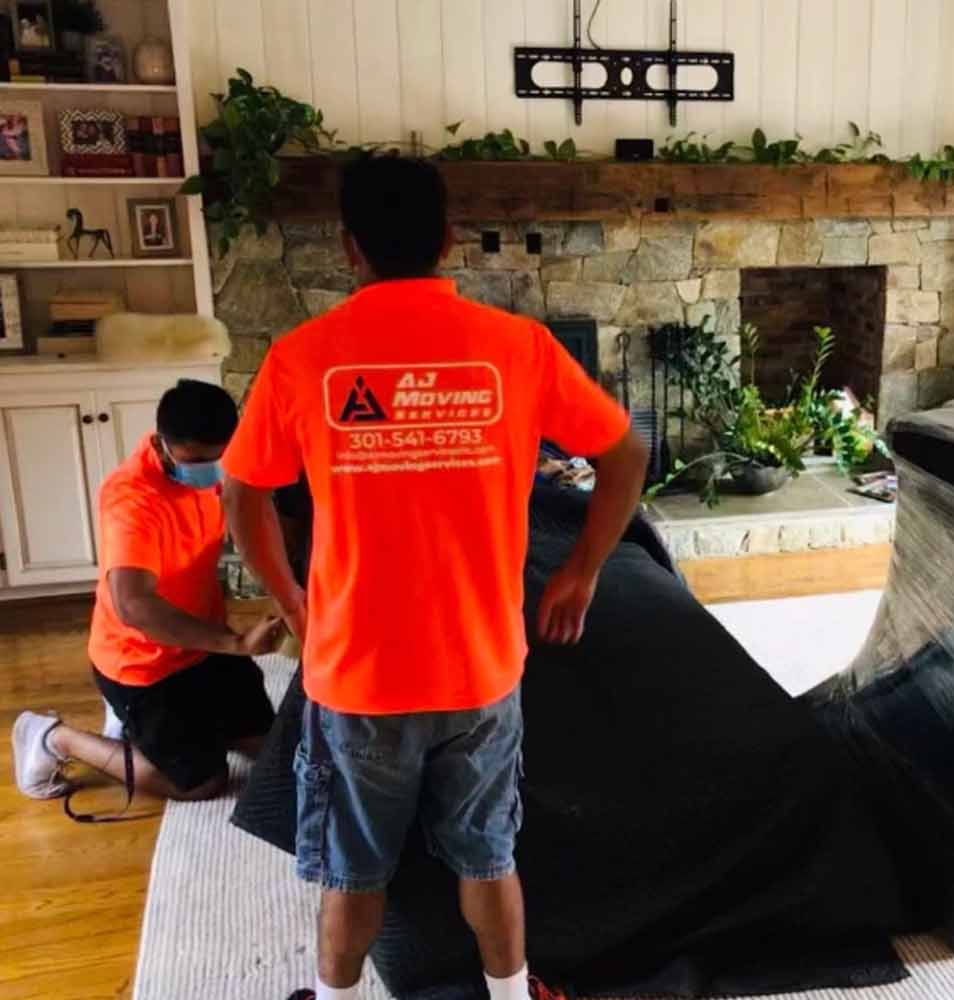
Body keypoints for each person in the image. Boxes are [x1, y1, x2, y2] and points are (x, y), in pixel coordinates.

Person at [221, 155, 647, 1000]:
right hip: (480, 671)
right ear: (448, 239)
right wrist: (581, 572)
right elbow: (626, 451)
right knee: (488, 857)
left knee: (352, 872)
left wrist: (291, 601)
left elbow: (241, 492)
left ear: (349, 247)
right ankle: (512, 994)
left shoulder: (303, 356)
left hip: (358, 676)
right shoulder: (518, 347)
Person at [11, 380, 282, 806]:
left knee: (272, 751)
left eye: (218, 458)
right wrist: (236, 643)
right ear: (161, 444)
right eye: (196, 461)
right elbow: (133, 605)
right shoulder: (132, 499)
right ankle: (53, 737)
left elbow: (257, 515)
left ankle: (164, 728)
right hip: (143, 663)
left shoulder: (223, 463)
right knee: (201, 784)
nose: (210, 470)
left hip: (203, 642)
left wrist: (286, 592)